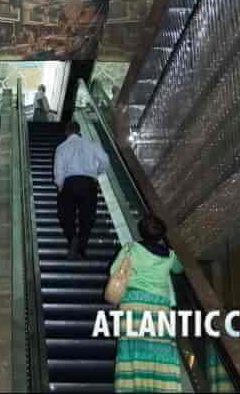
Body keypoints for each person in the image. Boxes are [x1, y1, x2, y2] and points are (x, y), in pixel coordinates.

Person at [110, 214, 184, 392]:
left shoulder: (130, 249)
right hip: (159, 307)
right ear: (161, 235)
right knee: (160, 350)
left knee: (132, 349)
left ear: (141, 232)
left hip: (132, 304)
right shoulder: (170, 255)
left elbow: (114, 271)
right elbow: (179, 269)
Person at [54, 121, 110, 259]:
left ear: (67, 132)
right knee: (87, 217)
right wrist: (97, 173)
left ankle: (73, 238)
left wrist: (60, 184)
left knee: (65, 214)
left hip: (70, 182)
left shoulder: (62, 147)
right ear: (79, 130)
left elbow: (58, 168)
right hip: (89, 183)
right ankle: (82, 247)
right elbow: (105, 160)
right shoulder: (92, 144)